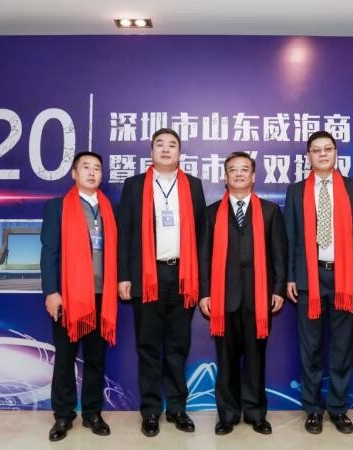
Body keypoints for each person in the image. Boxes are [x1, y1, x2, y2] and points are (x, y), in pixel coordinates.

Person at [117, 128, 206, 437]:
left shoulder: (193, 185)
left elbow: (202, 236)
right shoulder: (135, 185)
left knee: (178, 347)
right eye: (160, 144)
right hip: (147, 275)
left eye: (172, 145)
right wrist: (124, 275)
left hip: (182, 276)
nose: (166, 149)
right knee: (148, 346)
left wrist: (201, 280)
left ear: (180, 152)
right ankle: (151, 411)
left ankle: (178, 409)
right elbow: (125, 232)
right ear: (151, 151)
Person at [284, 130, 353, 434]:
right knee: (310, 349)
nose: (322, 154)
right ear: (308, 156)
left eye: (328, 149)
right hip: (309, 277)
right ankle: (312, 409)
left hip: (345, 277)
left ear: (336, 153)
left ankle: (338, 408)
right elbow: (290, 238)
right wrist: (290, 276)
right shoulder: (296, 191)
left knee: (342, 348)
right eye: (316, 150)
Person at [199, 152, 287, 436]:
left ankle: (256, 413)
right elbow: (204, 257)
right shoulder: (211, 213)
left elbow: (279, 255)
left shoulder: (270, 211)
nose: (238, 174)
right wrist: (204, 293)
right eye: (233, 170)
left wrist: (278, 289)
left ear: (253, 175)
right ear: (225, 177)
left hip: (259, 298)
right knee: (225, 360)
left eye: (244, 169)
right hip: (222, 298)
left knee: (255, 359)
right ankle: (227, 415)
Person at [40, 151, 118, 442]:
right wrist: (52, 292)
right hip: (69, 296)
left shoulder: (109, 209)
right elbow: (49, 252)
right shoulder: (58, 207)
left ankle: (93, 413)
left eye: (97, 168)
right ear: (74, 173)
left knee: (96, 358)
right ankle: (63, 415)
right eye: (85, 167)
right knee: (65, 358)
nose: (92, 172)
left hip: (101, 296)